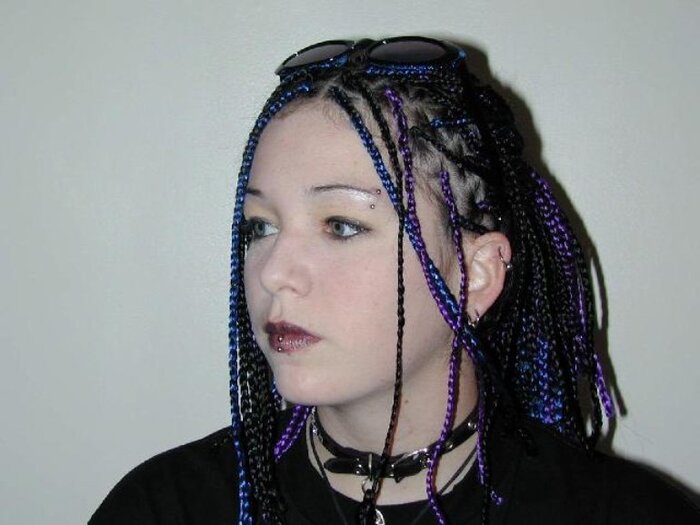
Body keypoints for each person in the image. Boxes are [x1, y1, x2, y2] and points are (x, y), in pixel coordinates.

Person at [90, 37, 699, 525]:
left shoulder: (623, 513)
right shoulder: (167, 506)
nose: (273, 272)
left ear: (476, 273)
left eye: (341, 226)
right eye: (260, 227)